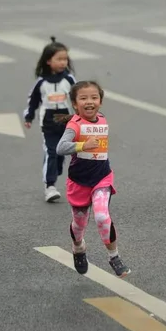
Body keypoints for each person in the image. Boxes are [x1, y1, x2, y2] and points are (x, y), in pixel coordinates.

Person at [55, 81, 131, 278]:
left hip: (102, 178)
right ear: (74, 104)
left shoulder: (102, 119)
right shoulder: (74, 125)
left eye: (94, 98)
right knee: (79, 225)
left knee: (101, 216)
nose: (89, 102)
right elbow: (60, 148)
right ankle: (78, 247)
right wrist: (81, 146)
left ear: (101, 101)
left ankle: (114, 256)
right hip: (79, 182)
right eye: (83, 98)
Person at [24, 36, 76, 203]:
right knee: (51, 151)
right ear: (48, 61)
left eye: (65, 59)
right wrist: (29, 116)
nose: (63, 62)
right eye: (59, 59)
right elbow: (33, 101)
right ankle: (50, 186)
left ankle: (56, 168)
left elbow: (78, 98)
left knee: (61, 153)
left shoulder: (69, 80)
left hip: (67, 122)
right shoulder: (41, 83)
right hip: (48, 122)